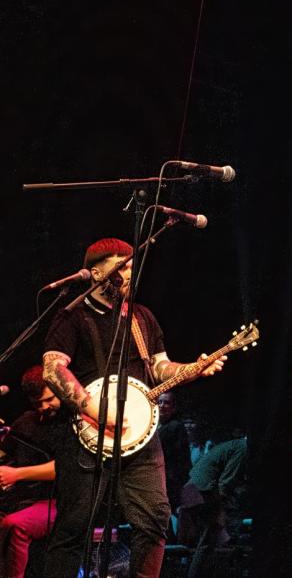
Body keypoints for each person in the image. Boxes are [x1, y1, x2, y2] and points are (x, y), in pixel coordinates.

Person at [42, 237, 226, 578]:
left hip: (139, 438)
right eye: (122, 267)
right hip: (87, 437)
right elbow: (54, 368)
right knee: (73, 529)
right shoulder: (73, 317)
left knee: (155, 518)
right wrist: (91, 408)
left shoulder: (141, 317)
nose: (130, 273)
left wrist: (190, 369)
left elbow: (159, 367)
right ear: (97, 272)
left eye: (132, 266)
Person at [0, 367, 62, 576]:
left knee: (15, 524)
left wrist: (16, 474)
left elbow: (62, 467)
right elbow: (5, 452)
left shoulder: (71, 424)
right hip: (22, 498)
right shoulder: (26, 420)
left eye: (49, 399)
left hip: (58, 502)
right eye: (37, 403)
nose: (44, 407)